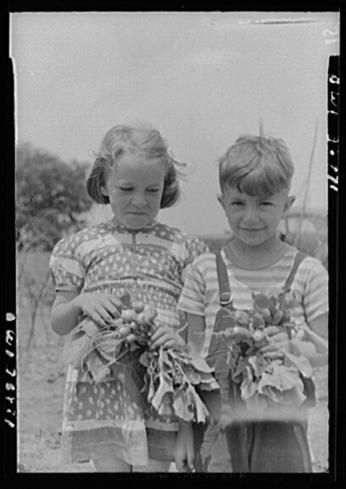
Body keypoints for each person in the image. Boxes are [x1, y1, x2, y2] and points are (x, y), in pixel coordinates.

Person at [49, 123, 209, 472]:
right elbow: (59, 322)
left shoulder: (185, 248)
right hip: (103, 385)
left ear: (165, 187)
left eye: (152, 190)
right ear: (104, 184)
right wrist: (79, 303)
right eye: (126, 188)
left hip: (162, 385)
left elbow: (198, 332)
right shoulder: (79, 247)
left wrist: (180, 340)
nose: (140, 200)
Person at [177, 134, 328, 472]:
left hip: (282, 427)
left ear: (285, 205)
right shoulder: (204, 271)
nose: (250, 216)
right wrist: (185, 430)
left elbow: (324, 350)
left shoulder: (308, 273)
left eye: (264, 204)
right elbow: (188, 357)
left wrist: (292, 346)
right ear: (222, 202)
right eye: (238, 203)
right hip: (217, 430)